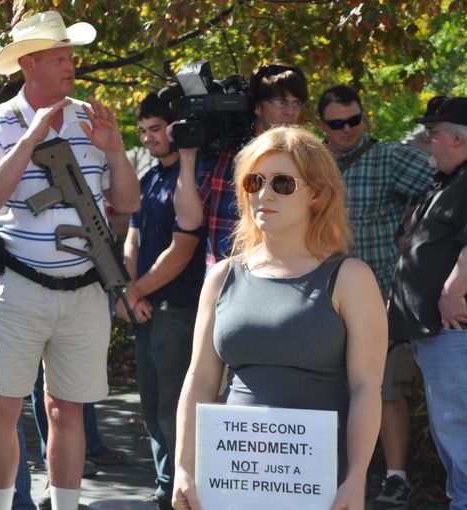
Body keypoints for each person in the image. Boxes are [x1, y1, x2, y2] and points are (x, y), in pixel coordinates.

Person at [0, 10, 140, 510]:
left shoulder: (91, 116)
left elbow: (126, 203)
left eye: (70, 56)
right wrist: (31, 138)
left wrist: (116, 150)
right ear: (30, 64)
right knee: (0, 409)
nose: (71, 66)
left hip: (86, 288)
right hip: (16, 288)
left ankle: (66, 505)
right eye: (60, 57)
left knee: (68, 410)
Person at [172, 126, 387, 510]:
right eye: (255, 181)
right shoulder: (222, 276)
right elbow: (199, 379)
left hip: (319, 482)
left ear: (317, 195)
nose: (264, 193)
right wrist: (184, 468)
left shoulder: (351, 277)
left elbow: (367, 388)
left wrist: (356, 478)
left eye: (283, 183)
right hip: (231, 477)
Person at [317, 85, 435, 509]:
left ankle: (396, 478)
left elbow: (446, 181)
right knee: (326, 389)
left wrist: (414, 224)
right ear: (322, 126)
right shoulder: (313, 165)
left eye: (354, 120)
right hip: (319, 299)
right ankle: (329, 476)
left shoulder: (387, 157)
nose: (348, 129)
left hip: (378, 298)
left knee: (383, 390)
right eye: (337, 123)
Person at [116, 93, 206, 510]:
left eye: (156, 129)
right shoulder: (149, 178)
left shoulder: (194, 175)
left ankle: (179, 491)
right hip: (145, 310)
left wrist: (136, 292)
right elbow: (132, 238)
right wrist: (126, 291)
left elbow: (183, 247)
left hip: (179, 311)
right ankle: (164, 485)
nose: (149, 138)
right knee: (152, 411)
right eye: (143, 131)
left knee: (174, 409)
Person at [388, 97, 467, 510]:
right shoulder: (448, 180)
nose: (428, 140)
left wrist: (454, 290)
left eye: (434, 133)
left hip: (454, 330)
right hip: (435, 333)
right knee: (450, 433)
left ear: (457, 138)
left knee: (459, 429)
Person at [175, 63, 308, 266]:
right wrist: (186, 154)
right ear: (257, 107)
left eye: (296, 103)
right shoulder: (225, 157)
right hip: (225, 282)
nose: (290, 111)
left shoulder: (306, 161)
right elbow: (188, 221)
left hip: (285, 277)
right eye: (281, 102)